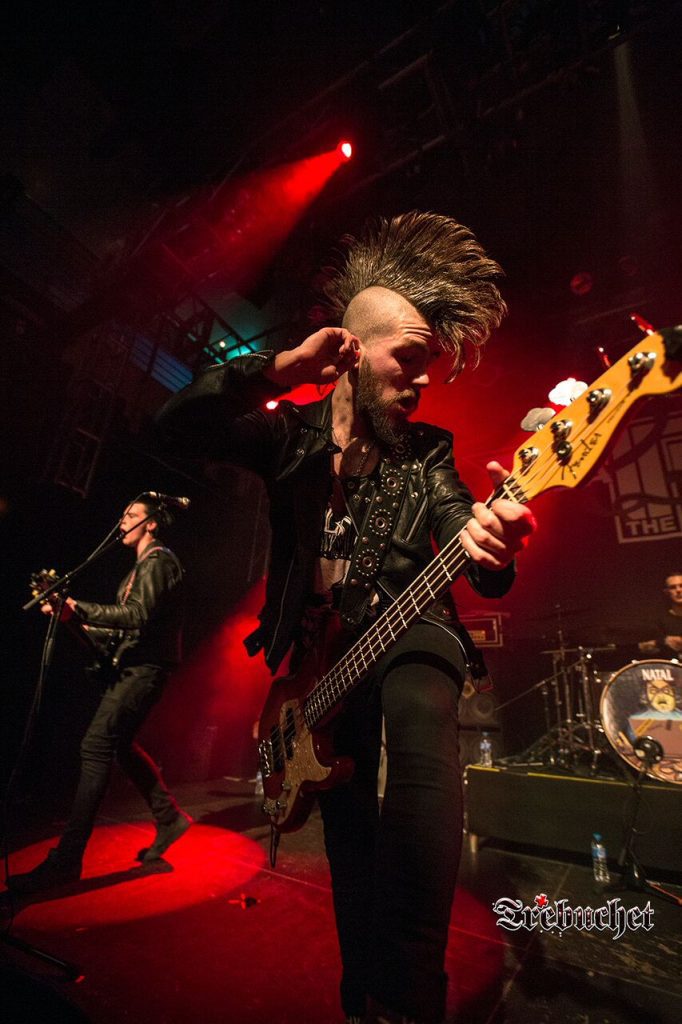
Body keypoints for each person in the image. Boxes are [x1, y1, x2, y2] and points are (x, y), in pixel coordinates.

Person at [156, 211, 536, 1024]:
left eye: (430, 366)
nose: (423, 381)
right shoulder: (286, 438)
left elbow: (464, 528)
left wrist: (492, 541)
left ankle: (412, 994)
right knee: (348, 839)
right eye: (410, 359)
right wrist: (275, 367)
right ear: (354, 352)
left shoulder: (427, 453)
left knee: (421, 714)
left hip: (410, 628)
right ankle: (361, 994)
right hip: (318, 667)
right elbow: (171, 428)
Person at [8, 496, 191, 894]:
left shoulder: (159, 562)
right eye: (122, 514)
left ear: (152, 524)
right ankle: (169, 817)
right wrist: (70, 617)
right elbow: (120, 632)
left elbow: (137, 616)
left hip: (145, 670)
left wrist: (79, 607)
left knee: (95, 745)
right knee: (119, 744)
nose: (123, 520)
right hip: (137, 667)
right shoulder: (138, 569)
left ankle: (67, 860)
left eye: (132, 515)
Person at [638, 573, 682, 657]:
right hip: (669, 663)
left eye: (681, 586)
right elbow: (643, 645)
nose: (678, 590)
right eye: (673, 587)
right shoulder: (657, 619)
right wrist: (664, 641)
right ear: (667, 592)